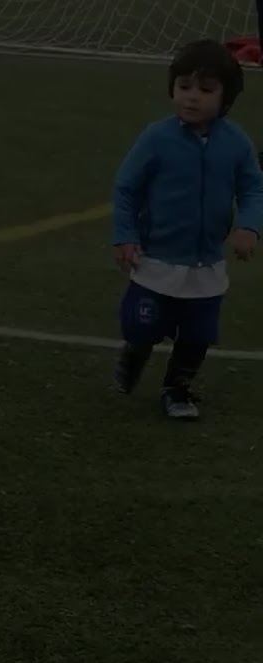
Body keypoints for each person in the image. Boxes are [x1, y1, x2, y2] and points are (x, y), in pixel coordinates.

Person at [112, 39, 263, 419]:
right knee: (140, 326)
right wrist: (125, 235)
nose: (192, 97)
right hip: (156, 260)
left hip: (206, 264)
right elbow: (126, 188)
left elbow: (253, 188)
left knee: (198, 336)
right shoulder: (156, 138)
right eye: (183, 87)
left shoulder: (236, 143)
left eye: (205, 90)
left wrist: (249, 226)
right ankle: (135, 354)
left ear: (226, 97)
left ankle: (177, 390)